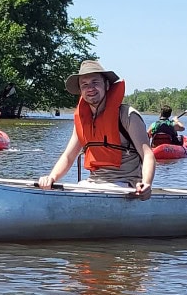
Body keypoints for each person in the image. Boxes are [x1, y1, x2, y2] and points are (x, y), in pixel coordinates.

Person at [38, 60, 155, 198]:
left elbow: (148, 155)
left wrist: (146, 183)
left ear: (106, 85)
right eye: (85, 85)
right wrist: (51, 178)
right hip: (92, 184)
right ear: (81, 91)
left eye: (95, 82)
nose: (90, 88)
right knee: (72, 190)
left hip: (125, 185)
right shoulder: (82, 120)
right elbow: (68, 157)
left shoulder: (127, 115)